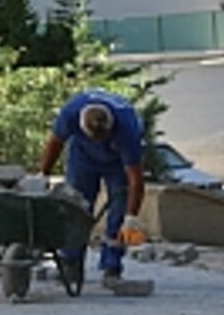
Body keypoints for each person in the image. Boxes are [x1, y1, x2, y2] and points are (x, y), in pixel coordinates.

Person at [38, 89, 146, 285]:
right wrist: (43, 174)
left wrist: (131, 217)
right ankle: (71, 261)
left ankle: (111, 267)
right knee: (76, 207)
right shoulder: (70, 113)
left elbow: (135, 179)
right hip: (82, 158)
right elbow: (55, 143)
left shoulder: (128, 128)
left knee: (118, 211)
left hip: (117, 163)